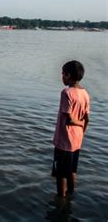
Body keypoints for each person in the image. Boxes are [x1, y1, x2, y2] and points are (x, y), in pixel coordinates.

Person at [52, 60, 90, 197]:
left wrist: (79, 124)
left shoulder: (66, 93)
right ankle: (71, 194)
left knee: (60, 175)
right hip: (77, 141)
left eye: (63, 74)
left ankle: (61, 201)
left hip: (64, 141)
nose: (61, 76)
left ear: (68, 75)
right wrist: (82, 133)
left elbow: (69, 118)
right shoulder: (85, 94)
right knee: (71, 171)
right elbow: (87, 119)